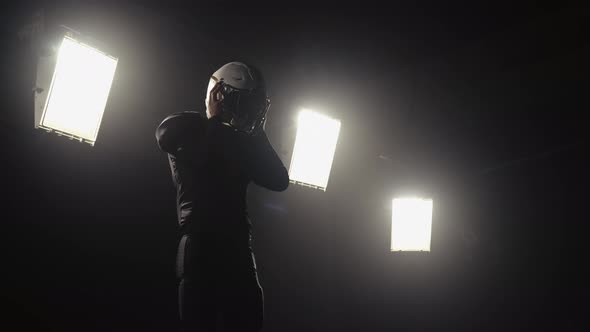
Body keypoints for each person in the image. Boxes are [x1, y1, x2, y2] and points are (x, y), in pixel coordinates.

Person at [155, 62, 289, 331]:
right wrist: (215, 120)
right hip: (201, 242)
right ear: (219, 95)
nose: (249, 111)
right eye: (243, 102)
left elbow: (278, 180)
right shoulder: (183, 127)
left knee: (249, 321)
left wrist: (258, 132)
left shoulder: (238, 141)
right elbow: (205, 160)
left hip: (238, 244)